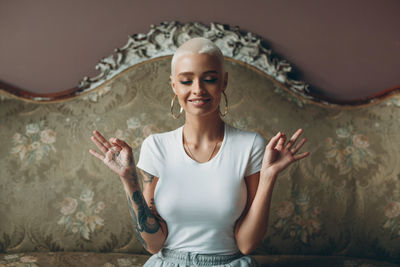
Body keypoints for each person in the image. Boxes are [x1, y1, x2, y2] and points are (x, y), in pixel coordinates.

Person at [89, 37, 310, 266]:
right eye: (186, 81)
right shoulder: (156, 146)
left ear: (223, 82)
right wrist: (129, 180)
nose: (198, 90)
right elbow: (153, 245)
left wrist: (268, 177)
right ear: (174, 86)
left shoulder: (250, 145)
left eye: (210, 79)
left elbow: (246, 244)